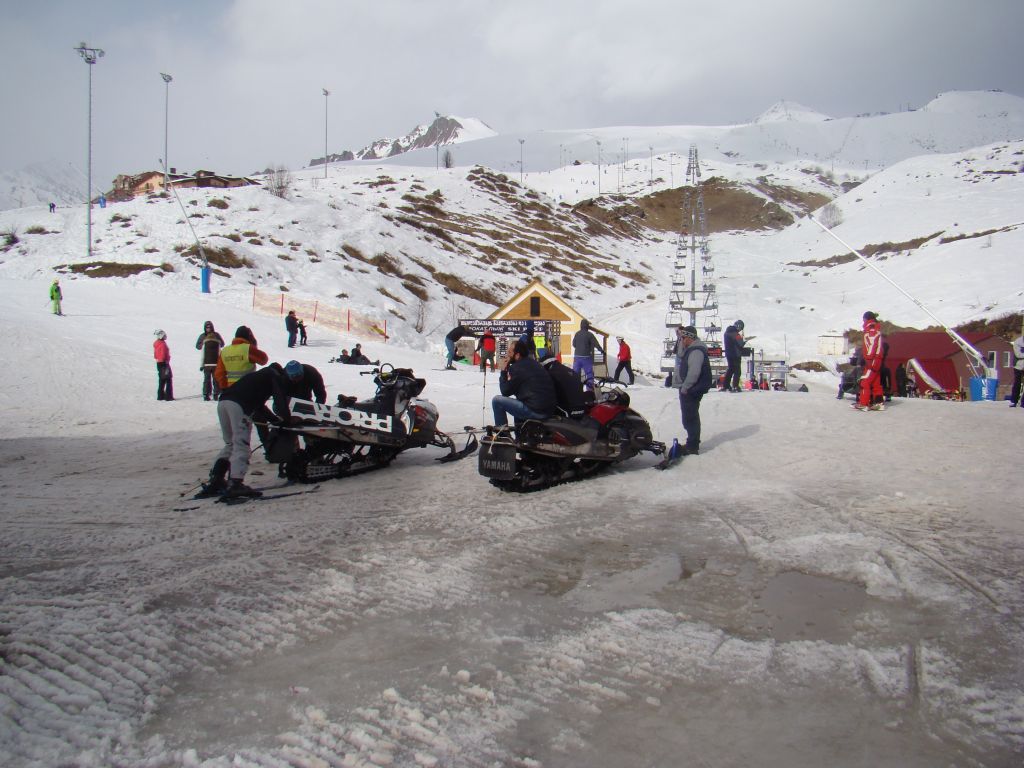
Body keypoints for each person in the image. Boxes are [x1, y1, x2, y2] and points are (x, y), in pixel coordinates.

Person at [202, 362, 293, 499]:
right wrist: (287, 420)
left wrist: (274, 420)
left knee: (230, 444)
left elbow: (259, 406)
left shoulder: (257, 377)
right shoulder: (274, 375)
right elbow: (280, 399)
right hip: (238, 406)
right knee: (241, 444)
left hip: (223, 402)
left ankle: (217, 478)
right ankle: (236, 484)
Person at [492, 340, 557, 428]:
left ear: (517, 355)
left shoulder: (516, 368)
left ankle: (502, 435)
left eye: (510, 352)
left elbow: (505, 391)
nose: (508, 354)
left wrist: (503, 371)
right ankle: (520, 436)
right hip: (548, 410)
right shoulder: (535, 363)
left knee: (497, 401)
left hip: (535, 411)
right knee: (519, 403)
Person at [671, 326, 712, 456]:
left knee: (690, 416)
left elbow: (694, 372)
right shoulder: (691, 349)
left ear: (690, 338)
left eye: (683, 338)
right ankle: (691, 442)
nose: (682, 341)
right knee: (688, 416)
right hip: (690, 388)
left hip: (691, 389)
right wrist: (679, 339)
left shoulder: (696, 352)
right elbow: (680, 354)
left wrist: (685, 387)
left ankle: (692, 446)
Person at [214, 325, 268, 392]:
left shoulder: (225, 351)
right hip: (248, 388)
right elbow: (264, 360)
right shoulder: (248, 349)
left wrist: (224, 387)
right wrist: (254, 345)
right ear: (249, 337)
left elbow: (219, 373)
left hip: (231, 389)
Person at [539, 349, 586, 418]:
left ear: (546, 366)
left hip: (566, 412)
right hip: (582, 410)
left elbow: (546, 395)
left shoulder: (551, 374)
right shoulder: (571, 371)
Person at [854, 311, 885, 411]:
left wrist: (868, 358)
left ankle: (863, 403)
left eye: (864, 319)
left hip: (872, 360)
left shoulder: (871, 328)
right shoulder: (874, 327)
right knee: (876, 382)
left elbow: (872, 344)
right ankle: (879, 403)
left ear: (867, 319)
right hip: (877, 359)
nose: (863, 321)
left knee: (865, 381)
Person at [195, 321, 225, 401]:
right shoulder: (204, 336)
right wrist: (204, 345)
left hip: (210, 362)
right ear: (205, 328)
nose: (208, 329)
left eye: (210, 327)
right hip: (210, 361)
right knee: (209, 379)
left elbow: (222, 344)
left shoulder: (215, 335)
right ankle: (209, 394)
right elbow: (198, 346)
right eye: (207, 327)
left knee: (212, 379)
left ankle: (211, 394)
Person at [571, 319, 600, 391]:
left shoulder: (577, 333)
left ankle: (576, 390)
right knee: (589, 374)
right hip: (586, 358)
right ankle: (589, 391)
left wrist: (579, 348)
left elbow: (574, 344)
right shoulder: (590, 334)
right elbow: (596, 344)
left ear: (580, 325)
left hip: (577, 358)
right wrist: (602, 351)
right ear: (587, 326)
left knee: (575, 374)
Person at [723, 320, 747, 392]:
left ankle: (726, 386)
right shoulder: (736, 334)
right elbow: (740, 344)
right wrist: (744, 341)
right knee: (737, 371)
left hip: (728, 354)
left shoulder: (727, 332)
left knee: (730, 369)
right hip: (736, 354)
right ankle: (735, 386)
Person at [153, 329, 174, 401]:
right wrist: (165, 362)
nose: (165, 336)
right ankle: (168, 397)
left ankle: (160, 396)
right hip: (163, 363)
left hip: (159, 363)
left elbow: (155, 355)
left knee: (162, 380)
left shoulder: (157, 343)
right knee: (168, 379)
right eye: (164, 335)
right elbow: (162, 355)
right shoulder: (162, 344)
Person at [1010, 333, 1024, 408]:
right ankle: (1013, 401)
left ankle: (1023, 402)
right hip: (1018, 366)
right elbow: (1018, 354)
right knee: (1017, 384)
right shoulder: (1018, 342)